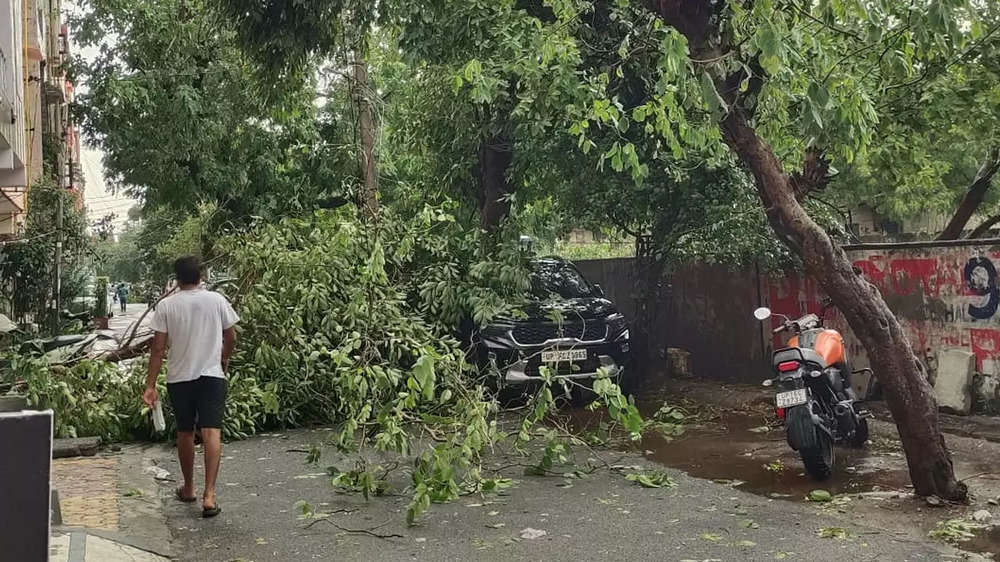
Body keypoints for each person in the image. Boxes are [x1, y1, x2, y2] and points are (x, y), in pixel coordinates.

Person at [143, 256, 239, 518]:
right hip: (212, 375)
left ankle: (188, 488)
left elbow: (158, 348)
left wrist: (150, 385)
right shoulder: (216, 300)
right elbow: (231, 336)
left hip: (180, 378)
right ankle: (209, 495)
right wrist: (223, 357)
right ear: (201, 276)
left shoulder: (166, 306)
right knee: (211, 430)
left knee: (185, 432)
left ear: (177, 280)